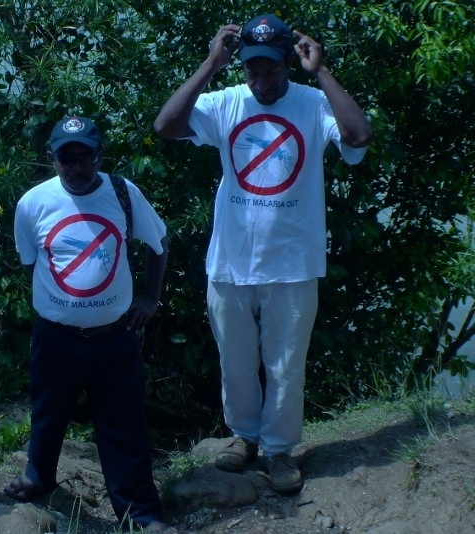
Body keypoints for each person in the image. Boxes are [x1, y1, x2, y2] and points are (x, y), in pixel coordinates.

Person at [154, 14, 372, 494]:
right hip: (230, 262)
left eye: (271, 69)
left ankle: (279, 450)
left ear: (288, 63)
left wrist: (322, 71)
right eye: (253, 69)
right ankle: (244, 437)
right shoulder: (226, 102)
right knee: (235, 361)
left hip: (293, 263)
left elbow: (357, 136)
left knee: (285, 366)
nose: (261, 80)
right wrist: (211, 64)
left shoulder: (313, 104)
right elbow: (166, 125)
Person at [6, 116, 175, 533]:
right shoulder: (33, 203)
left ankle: (141, 515)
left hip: (114, 334)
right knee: (48, 412)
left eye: (86, 158)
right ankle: (38, 477)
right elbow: (32, 263)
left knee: (123, 424)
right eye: (67, 159)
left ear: (100, 156)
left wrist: (150, 298)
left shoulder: (122, 193)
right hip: (55, 336)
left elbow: (158, 242)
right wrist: (62, 303)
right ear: (52, 158)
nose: (77, 168)